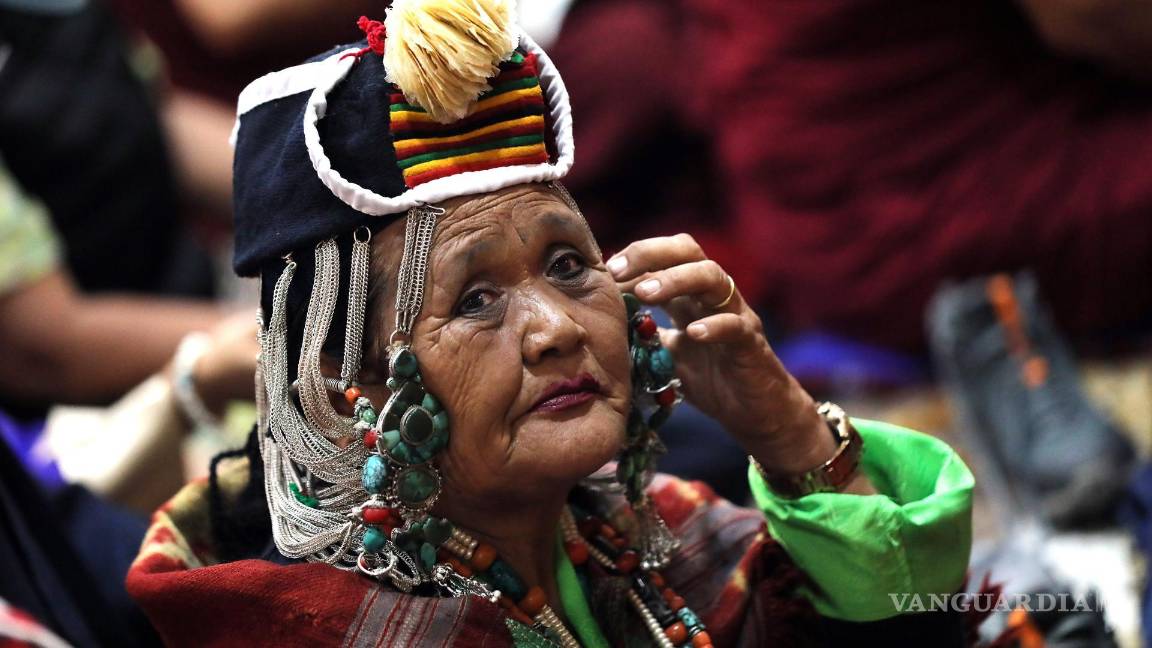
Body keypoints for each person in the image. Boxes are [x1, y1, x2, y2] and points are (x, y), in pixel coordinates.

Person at [127, 1, 978, 644]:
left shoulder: (644, 534)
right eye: (474, 299)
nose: (556, 328)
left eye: (570, 264)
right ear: (351, 383)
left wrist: (789, 431)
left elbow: (917, 623)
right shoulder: (300, 626)